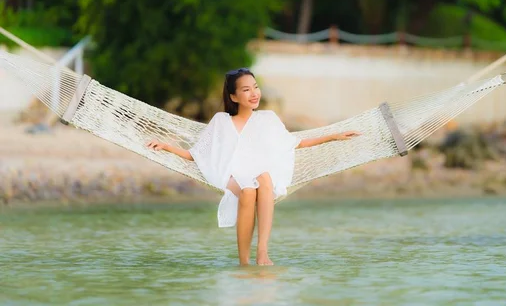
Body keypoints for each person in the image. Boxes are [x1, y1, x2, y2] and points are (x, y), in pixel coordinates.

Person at [146, 68, 359, 266]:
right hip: (227, 172)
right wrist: (166, 147)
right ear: (233, 97)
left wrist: (333, 136)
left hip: (256, 170)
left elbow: (295, 142)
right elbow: (197, 154)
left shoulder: (268, 119)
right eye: (246, 90)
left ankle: (262, 252)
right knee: (248, 190)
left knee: (264, 178)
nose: (254, 93)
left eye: (255, 87)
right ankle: (244, 261)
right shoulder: (221, 121)